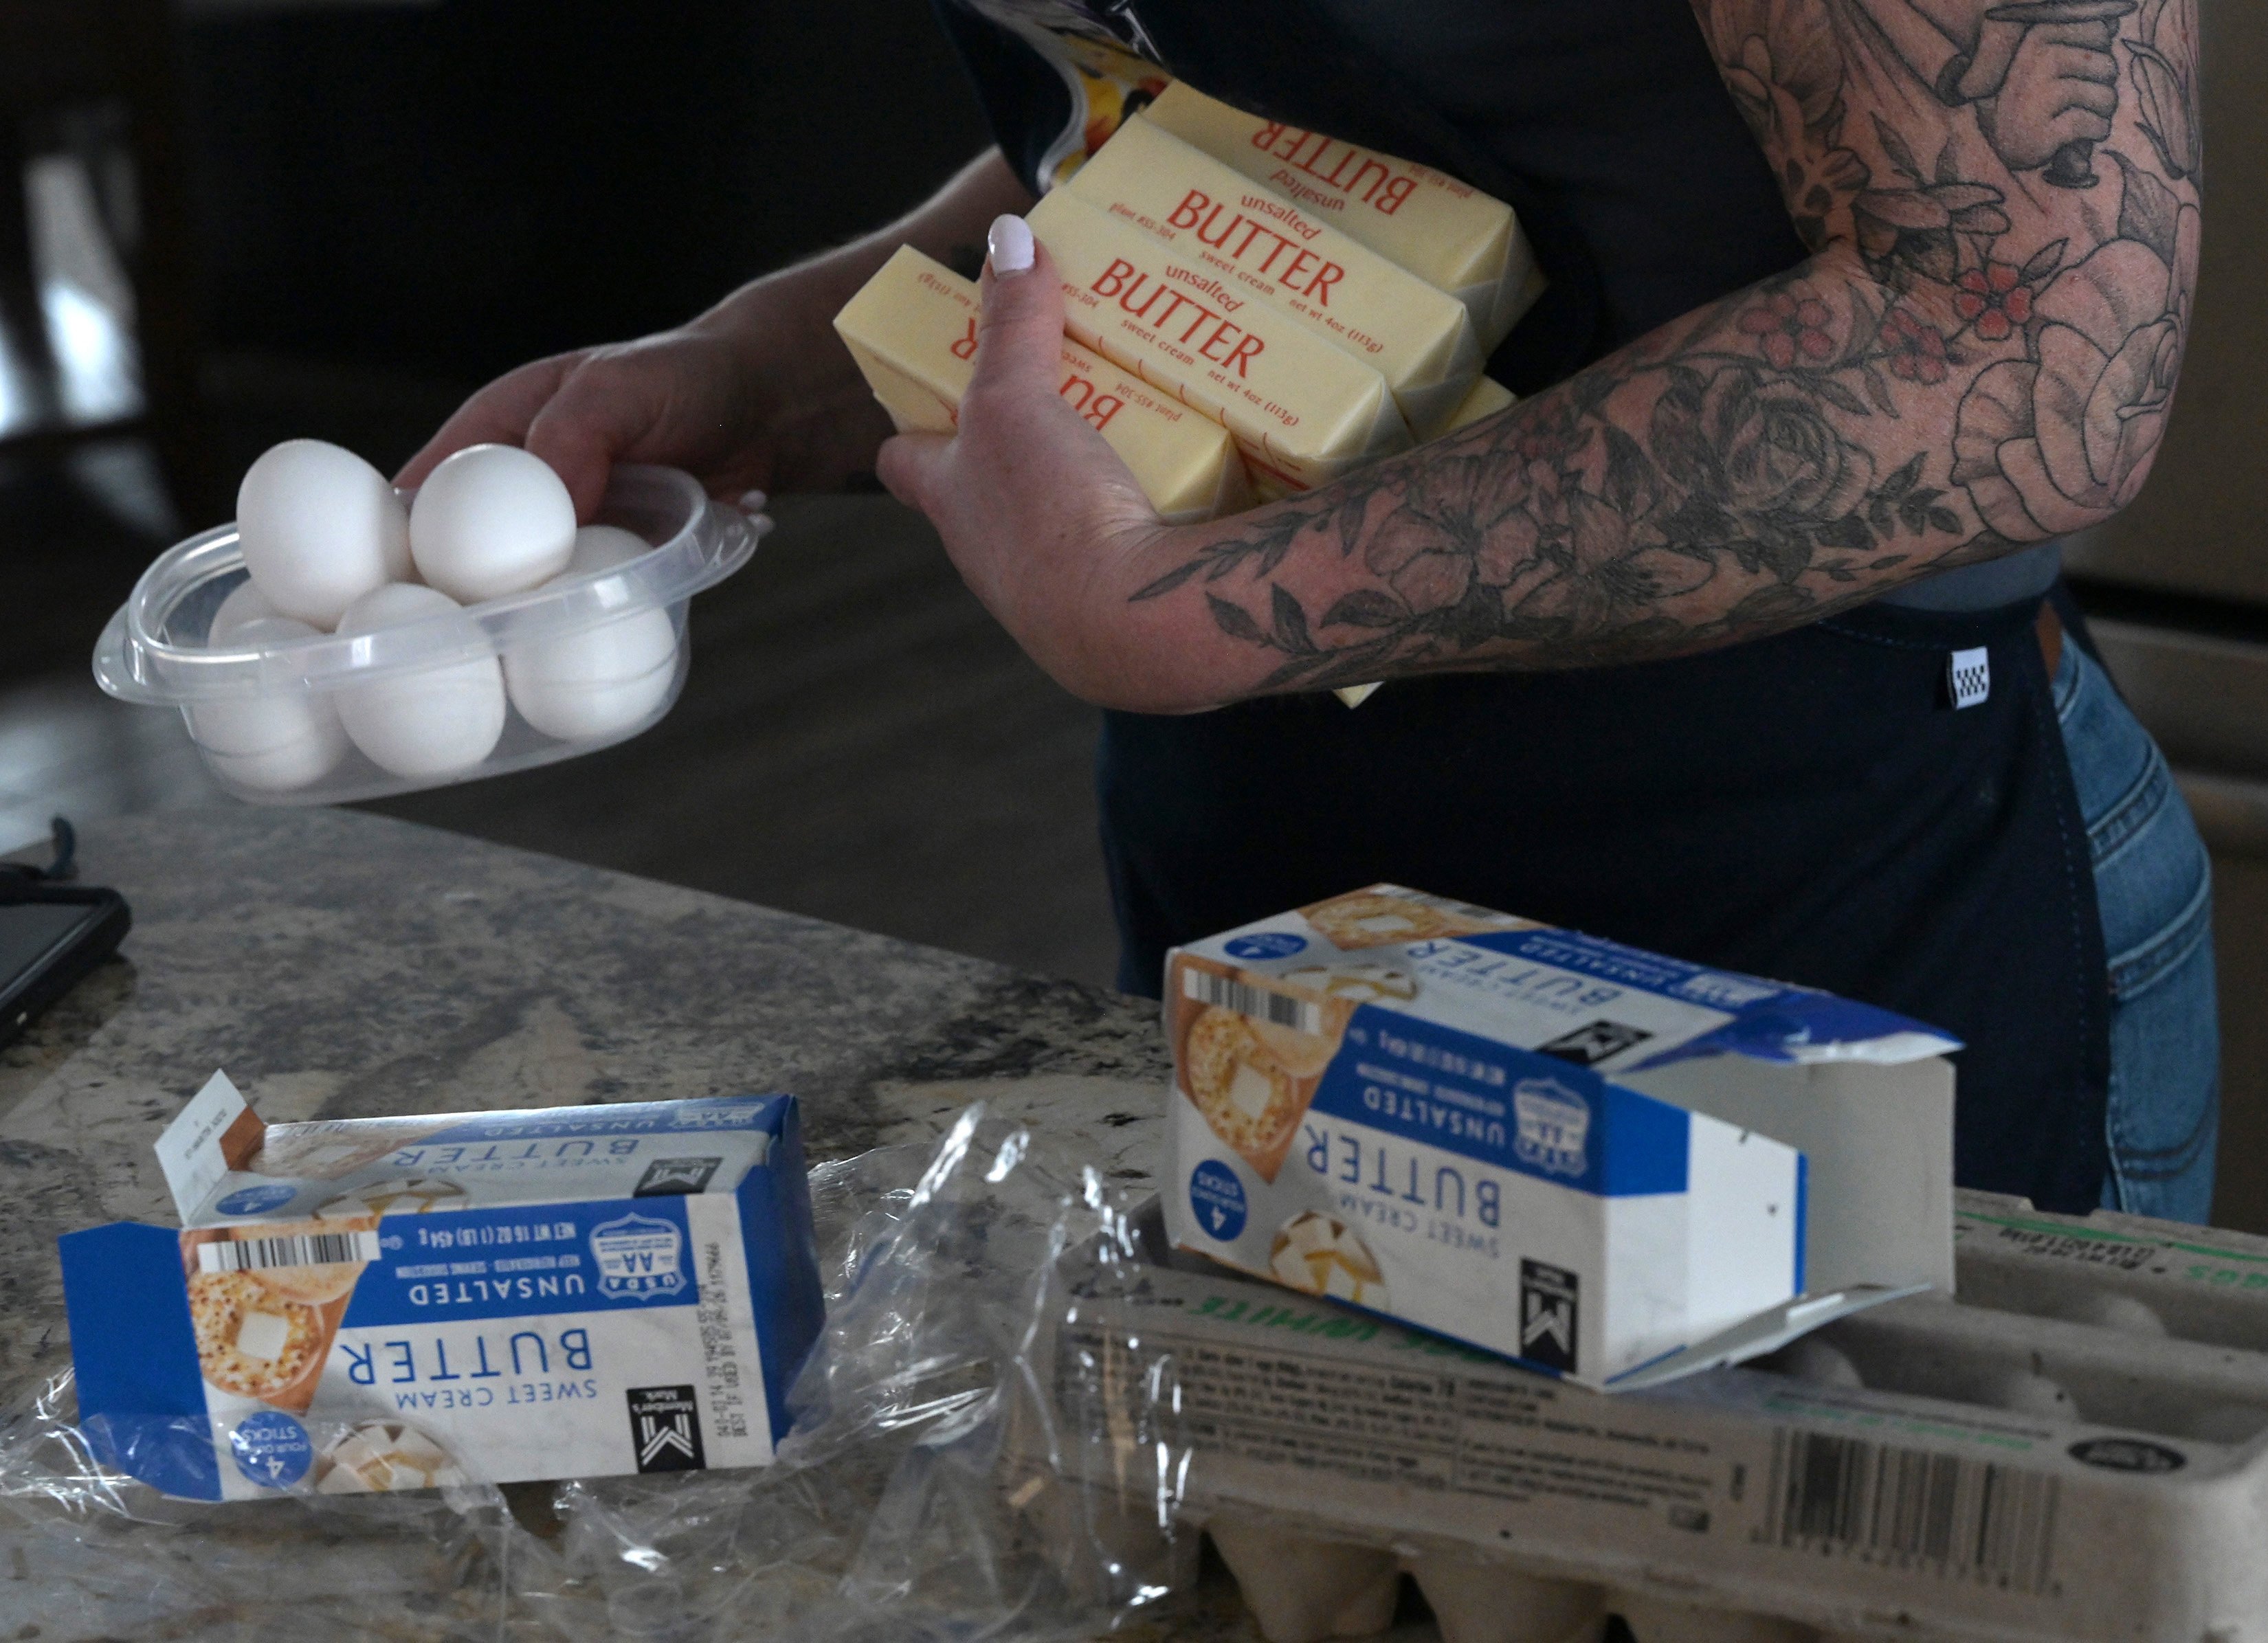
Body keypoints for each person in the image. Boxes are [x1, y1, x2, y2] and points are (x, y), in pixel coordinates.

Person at [401, 0, 2214, 1222]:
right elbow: (1195, 118)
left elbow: (2032, 340)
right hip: (1271, 916)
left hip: (1825, 903)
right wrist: (775, 365)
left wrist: (1198, 611)